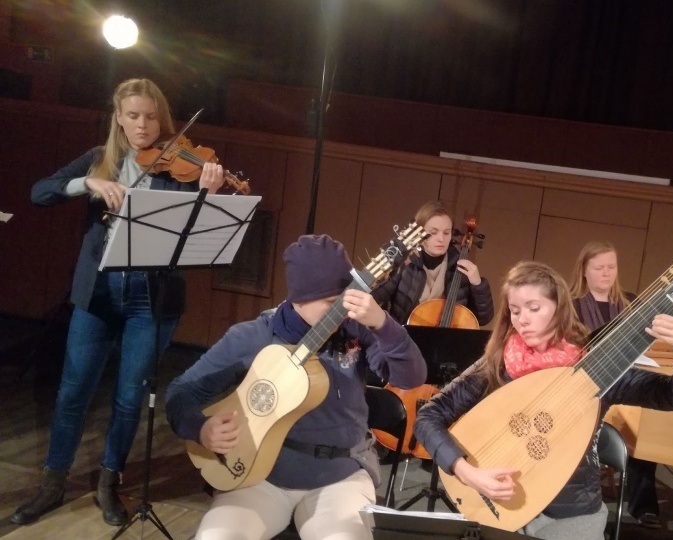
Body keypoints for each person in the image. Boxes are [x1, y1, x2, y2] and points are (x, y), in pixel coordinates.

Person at [12, 78, 226, 526]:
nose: (143, 125)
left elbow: (196, 229)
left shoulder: (177, 166)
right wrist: (86, 182)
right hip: (98, 294)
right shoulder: (99, 159)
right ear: (119, 119)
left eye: (150, 116)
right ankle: (52, 483)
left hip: (152, 298)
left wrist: (209, 189)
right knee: (73, 391)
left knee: (130, 398)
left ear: (161, 118)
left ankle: (111, 482)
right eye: (133, 116)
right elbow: (40, 192)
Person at [413, 261, 673, 540]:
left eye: (533, 308)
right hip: (500, 507)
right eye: (515, 311)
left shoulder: (594, 370)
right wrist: (468, 472)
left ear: (558, 309)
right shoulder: (498, 362)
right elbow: (429, 416)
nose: (522, 320)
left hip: (571, 513)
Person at [165, 234, 427, 540]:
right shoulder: (253, 336)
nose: (342, 310)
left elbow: (411, 378)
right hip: (260, 476)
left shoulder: (357, 330)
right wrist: (200, 428)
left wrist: (384, 324)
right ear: (299, 298)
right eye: (332, 303)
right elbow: (182, 391)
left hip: (340, 476)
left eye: (345, 298)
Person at [570, 240, 661, 528]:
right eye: (599, 268)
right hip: (589, 389)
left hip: (627, 384)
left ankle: (644, 505)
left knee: (643, 425)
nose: (606, 273)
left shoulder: (631, 303)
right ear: (584, 271)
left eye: (611, 267)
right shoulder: (571, 306)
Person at [372, 200, 495, 328]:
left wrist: (478, 285)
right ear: (419, 232)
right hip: (404, 341)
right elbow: (374, 299)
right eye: (433, 232)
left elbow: (483, 318)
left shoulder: (460, 268)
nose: (441, 239)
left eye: (446, 233)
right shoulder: (406, 262)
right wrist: (391, 268)